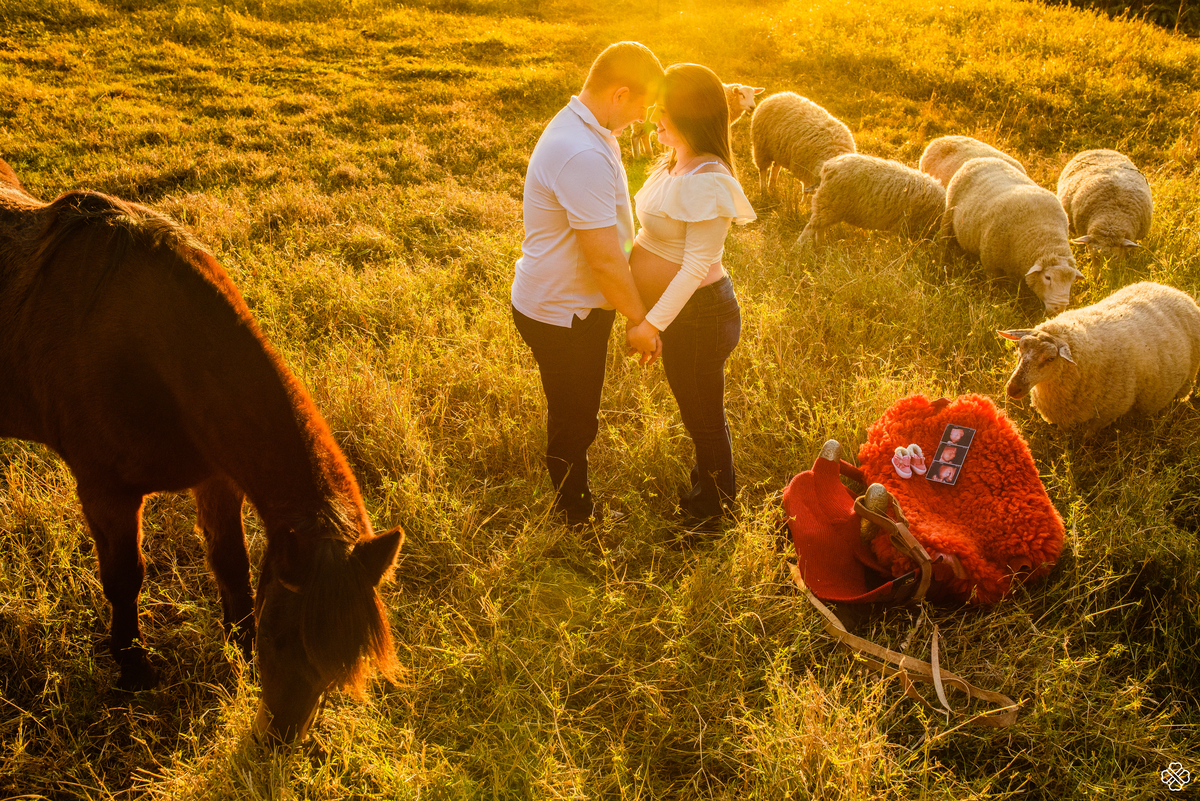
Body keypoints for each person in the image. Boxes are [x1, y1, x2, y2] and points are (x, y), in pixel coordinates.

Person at [511, 42, 665, 526]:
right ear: (621, 94)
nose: (644, 117)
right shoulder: (581, 152)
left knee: (574, 409)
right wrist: (640, 319)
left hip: (564, 303)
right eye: (643, 106)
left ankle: (570, 498)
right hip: (563, 312)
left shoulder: (584, 127)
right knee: (575, 417)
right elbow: (602, 258)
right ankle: (572, 513)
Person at [625, 63, 757, 524]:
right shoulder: (673, 160)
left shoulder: (709, 180)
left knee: (703, 416)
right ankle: (707, 489)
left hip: (701, 315)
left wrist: (650, 322)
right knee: (697, 408)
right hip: (683, 314)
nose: (654, 116)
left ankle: (714, 512)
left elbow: (695, 265)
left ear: (691, 114)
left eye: (665, 108)